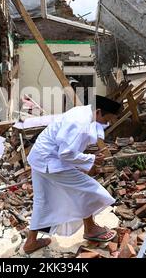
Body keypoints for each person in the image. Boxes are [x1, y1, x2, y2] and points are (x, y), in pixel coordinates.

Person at [23, 95, 122, 254]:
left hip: (40, 157)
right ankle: (90, 229)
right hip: (50, 161)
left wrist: (87, 157)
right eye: (108, 119)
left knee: (43, 200)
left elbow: (69, 144)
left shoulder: (83, 112)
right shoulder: (79, 122)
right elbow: (66, 153)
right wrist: (91, 159)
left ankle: (30, 242)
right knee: (89, 190)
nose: (108, 123)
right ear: (98, 112)